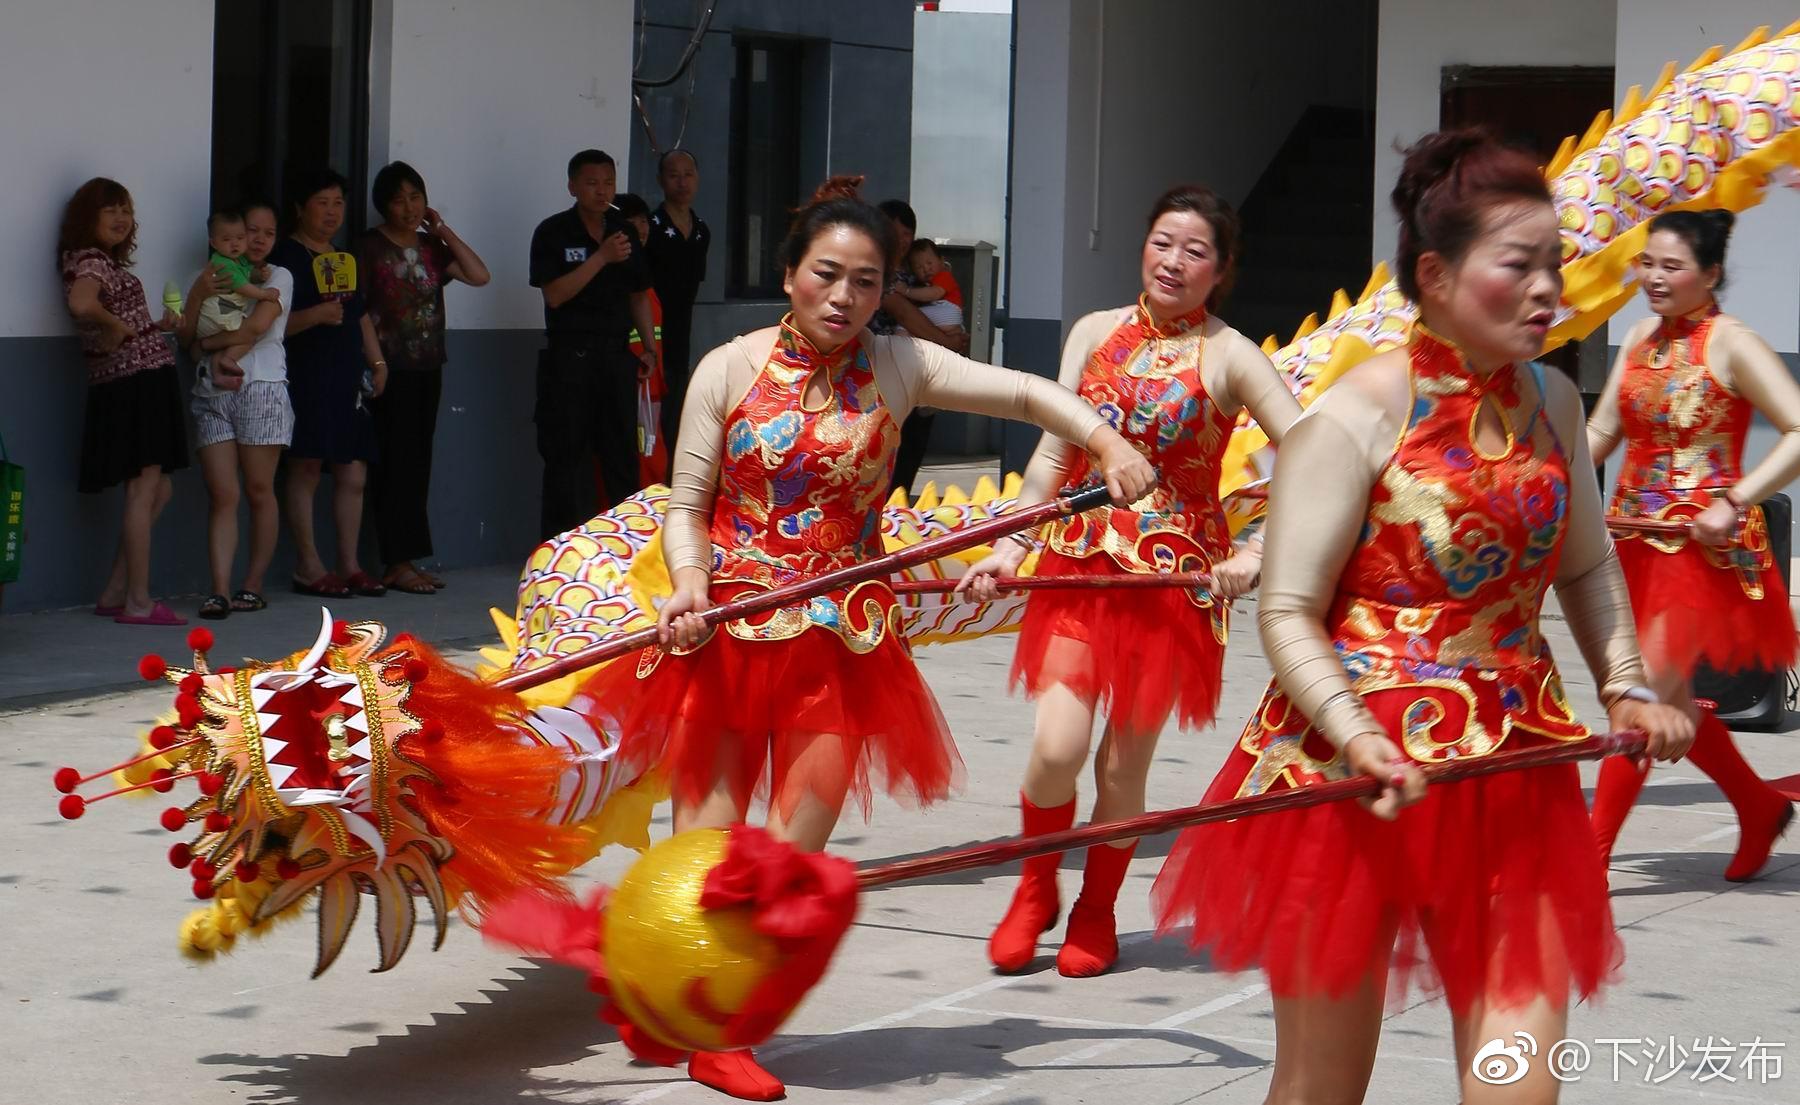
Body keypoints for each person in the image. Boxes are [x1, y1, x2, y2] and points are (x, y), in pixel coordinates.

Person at [580, 176, 1155, 1101]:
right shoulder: (727, 367)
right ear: (789, 273)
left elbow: (1030, 393)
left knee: (785, 858)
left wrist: (1109, 443)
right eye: (826, 275)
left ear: (886, 288)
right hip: (722, 632)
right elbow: (687, 505)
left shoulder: (902, 366)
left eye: (865, 281)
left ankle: (723, 1029)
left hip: (839, 645)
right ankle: (670, 997)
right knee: (702, 853)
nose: (843, 297)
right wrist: (689, 581)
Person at [1150, 130, 1694, 1105]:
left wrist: (1625, 683)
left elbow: (1588, 564)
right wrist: (1358, 736)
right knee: (1322, 1087)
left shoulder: (1557, 402)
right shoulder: (1352, 414)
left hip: (1514, 774)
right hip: (1351, 785)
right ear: (1436, 274)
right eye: (1519, 266)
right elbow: (1288, 608)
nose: (1548, 291)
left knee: (1517, 1082)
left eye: (1555, 266)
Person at [960, 185, 1303, 978]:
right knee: (1055, 748)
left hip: (1170, 589)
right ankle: (1038, 886)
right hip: (1077, 567)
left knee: (1122, 768)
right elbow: (1053, 455)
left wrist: (1253, 553)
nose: (1173, 261)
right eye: (1161, 242)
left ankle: (1099, 905)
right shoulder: (1094, 331)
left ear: (1221, 270)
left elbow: (1312, 456)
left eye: (1194, 251)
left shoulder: (1232, 354)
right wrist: (1010, 546)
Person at [1585, 210, 1800, 881]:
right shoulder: (1640, 337)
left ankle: (1584, 862)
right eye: (1646, 262)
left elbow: (1798, 429)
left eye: (1670, 265)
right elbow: (1601, 431)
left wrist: (1734, 499)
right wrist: (1544, 487)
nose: (1652, 276)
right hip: (1635, 543)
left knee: (1644, 694)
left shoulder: (1734, 343)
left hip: (1704, 554)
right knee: (1667, 703)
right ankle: (1758, 804)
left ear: (1709, 274)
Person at [58, 177, 190, 626]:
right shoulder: (91, 260)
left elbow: (106, 318)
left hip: (136, 380)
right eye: (109, 209)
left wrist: (148, 325)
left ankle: (116, 591)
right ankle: (137, 600)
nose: (121, 218)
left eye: (126, 210)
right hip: (134, 384)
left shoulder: (94, 260)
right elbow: (81, 305)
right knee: (144, 489)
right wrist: (116, 326)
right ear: (87, 217)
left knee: (160, 489)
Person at [359, 160, 491, 595]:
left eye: (416, 197)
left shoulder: (432, 248)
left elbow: (479, 275)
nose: (409, 207)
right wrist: (376, 363)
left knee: (417, 465)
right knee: (394, 466)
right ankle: (395, 561)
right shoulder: (368, 248)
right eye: (399, 199)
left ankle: (408, 559)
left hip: (428, 366)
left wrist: (444, 231)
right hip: (388, 370)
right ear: (383, 205)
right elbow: (358, 311)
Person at [271, 166, 389, 599]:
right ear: (300, 208)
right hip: (304, 375)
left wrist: (377, 361)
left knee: (353, 470)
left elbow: (359, 315)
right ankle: (309, 566)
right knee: (304, 468)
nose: (332, 212)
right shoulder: (284, 258)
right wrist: (314, 317)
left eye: (338, 203)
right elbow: (269, 325)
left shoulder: (344, 259)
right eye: (322, 202)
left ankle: (350, 565)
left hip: (346, 376)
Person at [530, 148, 660, 533]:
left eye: (608, 183)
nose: (601, 191)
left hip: (615, 357)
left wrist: (649, 347)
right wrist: (600, 257)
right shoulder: (553, 232)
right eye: (591, 183)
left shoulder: (624, 231)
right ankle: (560, 550)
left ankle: (624, 549)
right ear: (572, 186)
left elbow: (639, 294)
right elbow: (554, 294)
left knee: (621, 455)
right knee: (566, 457)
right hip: (569, 360)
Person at [182, 202, 294, 619]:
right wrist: (196, 296)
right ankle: (219, 591)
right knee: (223, 494)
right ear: (231, 235)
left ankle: (252, 585)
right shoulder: (215, 274)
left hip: (260, 387)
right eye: (251, 231)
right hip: (211, 392)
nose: (259, 239)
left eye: (269, 232)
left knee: (259, 491)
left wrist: (209, 349)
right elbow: (188, 339)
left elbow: (255, 327)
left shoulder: (279, 276)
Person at [870, 198, 963, 497]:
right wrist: (947, 341)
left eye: (906, 235)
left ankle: (899, 508)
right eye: (893, 233)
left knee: (913, 442)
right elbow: (903, 311)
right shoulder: (873, 269)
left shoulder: (916, 273)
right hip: (876, 373)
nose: (901, 241)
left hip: (917, 372)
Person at [644, 149, 709, 461]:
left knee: (677, 413)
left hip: (681, 336)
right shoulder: (650, 227)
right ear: (660, 181)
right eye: (674, 175)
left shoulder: (701, 231)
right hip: (650, 335)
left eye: (688, 174)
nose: (682, 182)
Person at [615, 192, 669, 492]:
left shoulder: (643, 278)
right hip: (632, 387)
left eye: (644, 219)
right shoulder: (624, 282)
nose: (641, 227)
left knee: (652, 456)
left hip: (651, 387)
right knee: (642, 460)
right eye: (632, 220)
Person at [196, 210, 281, 340]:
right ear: (213, 243)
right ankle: (228, 358)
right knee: (245, 339)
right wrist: (264, 294)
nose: (235, 243)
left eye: (240, 238)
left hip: (224, 314)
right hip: (217, 316)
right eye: (226, 239)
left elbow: (245, 273)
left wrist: (258, 275)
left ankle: (224, 357)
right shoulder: (221, 263)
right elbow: (241, 285)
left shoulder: (239, 260)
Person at [904, 238, 965, 335]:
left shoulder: (944, 276)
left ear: (941, 261)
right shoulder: (922, 284)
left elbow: (934, 294)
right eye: (919, 267)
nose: (926, 269)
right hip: (946, 317)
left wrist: (906, 291)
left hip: (948, 311)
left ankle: (897, 339)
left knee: (907, 319)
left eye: (929, 263)